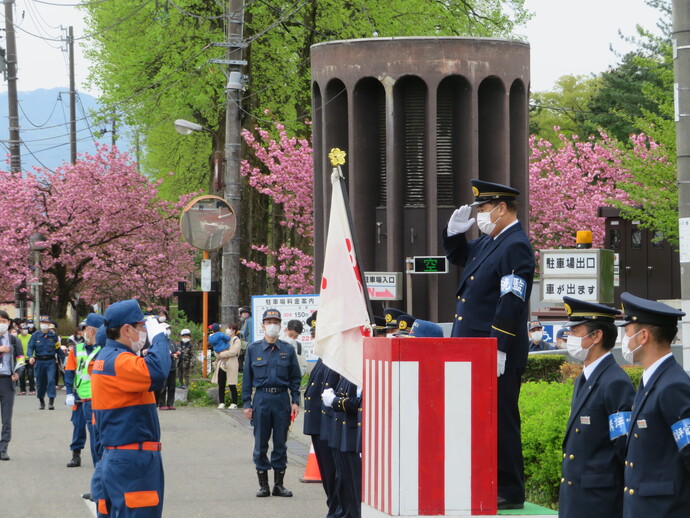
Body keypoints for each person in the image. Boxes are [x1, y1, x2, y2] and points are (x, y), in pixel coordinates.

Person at [443, 179, 535, 510]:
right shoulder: (489, 242)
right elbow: (459, 257)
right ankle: (483, 479)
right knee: (476, 418)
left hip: (494, 349)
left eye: (483, 209)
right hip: (472, 348)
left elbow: (512, 299)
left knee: (501, 418)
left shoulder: (516, 245)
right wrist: (453, 233)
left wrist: (498, 346)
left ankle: (510, 490)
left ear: (501, 208)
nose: (480, 215)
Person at [90, 299, 170, 517]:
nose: (144, 332)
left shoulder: (107, 359)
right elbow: (158, 372)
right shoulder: (119, 361)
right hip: (133, 461)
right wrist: (159, 338)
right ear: (126, 329)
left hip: (118, 457)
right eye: (142, 326)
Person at [557, 297, 635, 518]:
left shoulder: (615, 382)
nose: (569, 338)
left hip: (599, 501)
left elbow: (624, 446)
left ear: (597, 336)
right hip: (577, 497)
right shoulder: (584, 378)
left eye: (575, 332)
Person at [618, 292, 690, 518]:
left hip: (664, 509)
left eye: (627, 331)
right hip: (643, 507)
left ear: (643, 336)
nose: (624, 339)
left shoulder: (673, 385)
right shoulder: (652, 379)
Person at [243, 309, 301, 498]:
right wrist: (246, 404)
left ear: (281, 325)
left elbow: (295, 377)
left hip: (282, 399)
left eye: (275, 321)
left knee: (280, 443)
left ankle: (278, 485)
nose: (272, 325)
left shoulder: (288, 349)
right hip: (261, 399)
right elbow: (246, 379)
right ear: (262, 326)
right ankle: (263, 485)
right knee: (260, 443)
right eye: (269, 322)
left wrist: (295, 400)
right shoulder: (253, 349)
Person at [0, 311, 25, 461]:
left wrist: (18, 373)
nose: (1, 324)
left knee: (7, 418)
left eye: (3, 321)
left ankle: (3, 448)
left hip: (7, 381)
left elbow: (21, 358)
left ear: (8, 323)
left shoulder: (14, 340)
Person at [27, 315, 64, 410]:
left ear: (49, 324)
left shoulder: (53, 335)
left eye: (46, 323)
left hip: (50, 361)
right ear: (40, 324)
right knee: (40, 382)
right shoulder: (35, 335)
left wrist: (65, 359)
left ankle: (51, 402)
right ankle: (41, 401)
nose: (44, 324)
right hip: (39, 362)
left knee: (51, 380)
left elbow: (57, 348)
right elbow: (30, 347)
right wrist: (30, 356)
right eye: (43, 323)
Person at [152, 323, 180, 410]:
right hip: (163, 366)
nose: (168, 330)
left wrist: (177, 353)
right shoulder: (159, 341)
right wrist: (172, 355)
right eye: (167, 328)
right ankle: (162, 403)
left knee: (172, 385)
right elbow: (161, 352)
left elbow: (174, 351)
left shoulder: (171, 341)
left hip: (172, 366)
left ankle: (170, 403)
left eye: (169, 328)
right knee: (163, 385)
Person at [215, 323, 241, 409]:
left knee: (232, 383)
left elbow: (234, 352)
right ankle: (221, 402)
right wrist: (219, 354)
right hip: (222, 364)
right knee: (221, 384)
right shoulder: (224, 339)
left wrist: (222, 354)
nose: (228, 330)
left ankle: (234, 402)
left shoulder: (236, 340)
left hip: (232, 363)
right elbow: (217, 350)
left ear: (234, 330)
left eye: (229, 328)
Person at [17, 323, 35, 395]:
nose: (25, 330)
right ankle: (23, 390)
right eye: (24, 329)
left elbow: (34, 347)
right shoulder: (17, 337)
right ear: (20, 330)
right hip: (20, 358)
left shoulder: (31, 336)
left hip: (30, 357)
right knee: (21, 375)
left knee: (31, 374)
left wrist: (33, 356)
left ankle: (32, 389)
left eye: (26, 329)